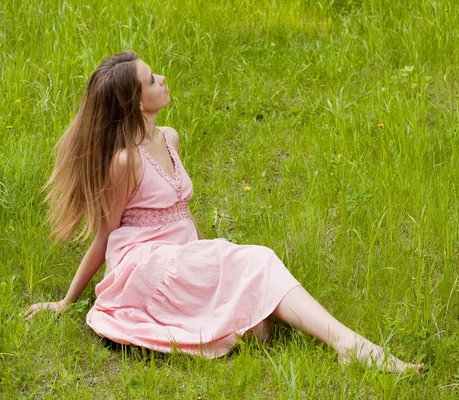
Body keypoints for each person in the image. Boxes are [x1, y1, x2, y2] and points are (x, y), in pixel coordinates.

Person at [24, 51, 422, 373]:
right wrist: (66, 301)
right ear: (135, 103)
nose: (162, 79)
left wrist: (208, 255)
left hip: (181, 255)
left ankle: (330, 339)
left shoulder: (170, 138)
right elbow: (107, 234)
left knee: (262, 328)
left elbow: (181, 213)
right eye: (151, 80)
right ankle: (350, 345)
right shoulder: (126, 162)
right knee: (261, 260)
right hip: (147, 267)